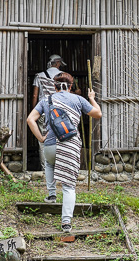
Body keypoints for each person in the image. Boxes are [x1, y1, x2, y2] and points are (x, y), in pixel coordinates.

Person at [26, 72, 102, 236]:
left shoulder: (47, 100)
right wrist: (91, 97)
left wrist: (40, 137)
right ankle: (66, 222)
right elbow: (98, 114)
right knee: (68, 187)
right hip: (69, 145)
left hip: (50, 146)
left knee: (49, 163)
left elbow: (30, 119)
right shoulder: (78, 99)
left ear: (54, 86)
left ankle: (52, 194)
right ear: (70, 86)